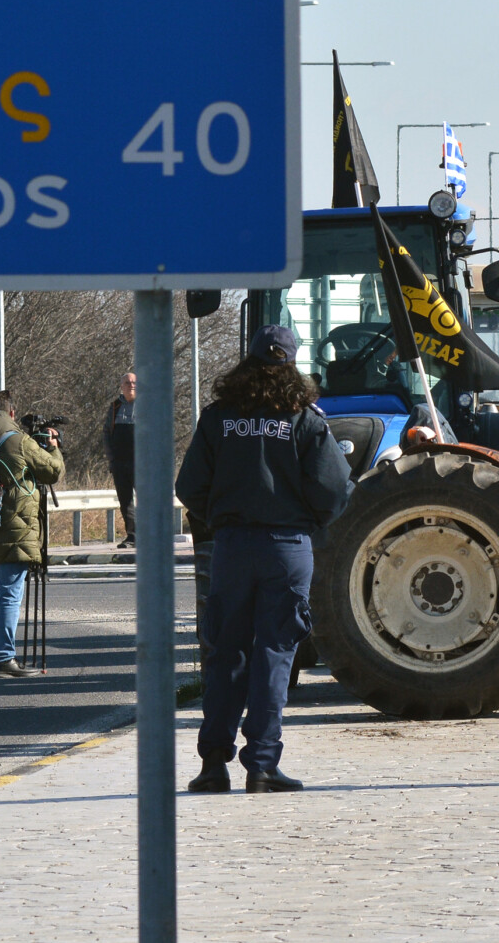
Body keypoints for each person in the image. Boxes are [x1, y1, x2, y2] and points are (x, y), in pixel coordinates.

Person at [176, 325, 353, 794]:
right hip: (287, 548)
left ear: (247, 361)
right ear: (291, 365)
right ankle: (262, 766)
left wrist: (220, 515)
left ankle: (213, 764)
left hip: (231, 547)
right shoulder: (306, 420)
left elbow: (188, 487)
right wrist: (308, 520)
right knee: (274, 654)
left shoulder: (218, 418)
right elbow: (334, 489)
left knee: (224, 654)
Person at [0, 390, 64, 678]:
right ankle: (4, 659)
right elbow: (52, 471)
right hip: (13, 530)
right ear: (10, 414)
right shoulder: (18, 441)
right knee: (9, 594)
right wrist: (52, 446)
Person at [102, 372, 138, 548]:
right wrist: (112, 458)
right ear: (121, 386)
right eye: (127, 382)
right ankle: (132, 536)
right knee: (125, 501)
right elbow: (107, 432)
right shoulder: (115, 406)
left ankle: (151, 535)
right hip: (120, 463)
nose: (131, 385)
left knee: (146, 500)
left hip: (142, 463)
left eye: (134, 382)